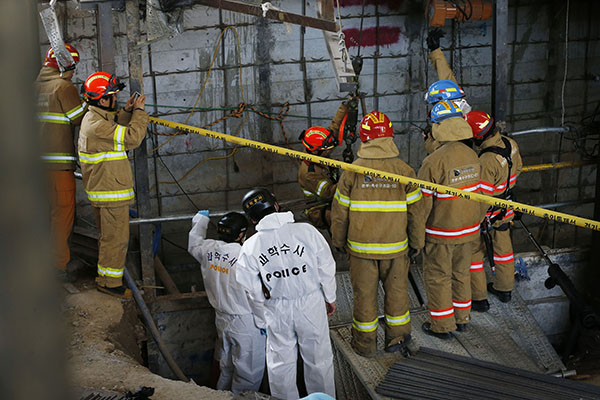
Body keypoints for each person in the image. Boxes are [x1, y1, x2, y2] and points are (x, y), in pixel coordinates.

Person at [330, 111, 425, 357]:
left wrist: (338, 241)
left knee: (364, 298)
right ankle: (398, 340)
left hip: (361, 251)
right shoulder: (405, 171)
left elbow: (340, 212)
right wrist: (417, 243)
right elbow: (416, 213)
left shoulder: (351, 171)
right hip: (396, 249)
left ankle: (365, 346)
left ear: (364, 137)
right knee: (397, 295)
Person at [235, 188, 337, 400]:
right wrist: (330, 297)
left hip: (276, 308)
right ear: (276, 206)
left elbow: (250, 288)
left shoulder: (251, 246)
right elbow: (326, 266)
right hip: (311, 302)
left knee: (280, 365)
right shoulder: (307, 232)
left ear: (252, 220)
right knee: (318, 360)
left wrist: (262, 317)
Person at [418, 100, 484, 339]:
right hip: (469, 231)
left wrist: (416, 238)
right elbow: (483, 197)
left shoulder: (432, 162)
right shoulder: (472, 155)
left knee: (438, 278)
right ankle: (462, 318)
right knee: (461, 273)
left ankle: (443, 326)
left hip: (441, 233)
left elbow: (422, 205)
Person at [79, 72, 148, 298]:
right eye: (112, 96)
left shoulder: (96, 118)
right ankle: (109, 284)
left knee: (109, 238)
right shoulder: (96, 126)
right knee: (115, 239)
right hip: (110, 193)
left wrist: (127, 111)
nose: (116, 100)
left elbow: (115, 123)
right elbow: (132, 137)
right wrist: (138, 112)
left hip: (106, 190)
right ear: (101, 100)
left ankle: (106, 278)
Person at [188, 210, 266, 393]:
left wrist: (201, 220)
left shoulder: (208, 249)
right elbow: (255, 294)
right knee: (249, 372)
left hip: (222, 318)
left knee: (227, 365)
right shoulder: (245, 257)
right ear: (241, 234)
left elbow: (193, 244)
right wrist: (263, 321)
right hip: (246, 323)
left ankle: (221, 396)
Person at [35, 44, 87, 280]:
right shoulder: (63, 87)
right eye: (73, 68)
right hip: (57, 168)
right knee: (62, 212)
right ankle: (57, 265)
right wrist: (89, 99)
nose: (74, 73)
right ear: (66, 66)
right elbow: (79, 119)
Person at [466, 110, 523, 305]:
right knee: (504, 248)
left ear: (477, 137)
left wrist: (476, 219)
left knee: (475, 252)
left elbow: (483, 196)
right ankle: (505, 288)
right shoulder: (510, 144)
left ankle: (479, 296)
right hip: (507, 205)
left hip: (490, 211)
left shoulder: (486, 160)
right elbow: (519, 169)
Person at [297, 102, 348, 229]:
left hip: (333, 199)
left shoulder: (320, 153)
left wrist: (345, 106)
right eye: (327, 149)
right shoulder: (309, 173)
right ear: (314, 151)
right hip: (320, 209)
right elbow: (329, 193)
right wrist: (350, 178)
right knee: (348, 220)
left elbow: (335, 128)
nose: (329, 151)